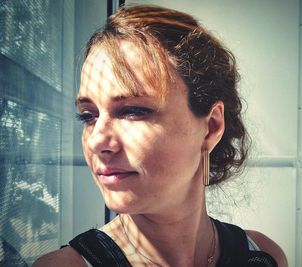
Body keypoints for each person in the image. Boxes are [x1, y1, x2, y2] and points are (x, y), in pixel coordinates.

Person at [33, 5, 287, 267]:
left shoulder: (262, 256)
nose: (97, 141)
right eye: (88, 116)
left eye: (133, 111)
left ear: (210, 127)